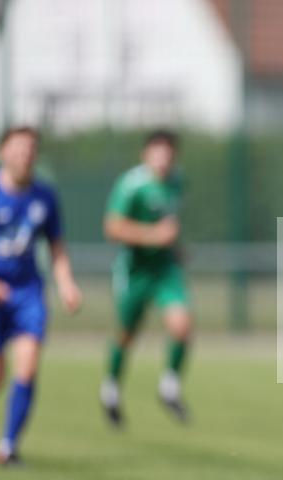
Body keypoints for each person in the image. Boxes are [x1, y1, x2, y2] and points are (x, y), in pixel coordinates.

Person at [0, 126, 82, 465]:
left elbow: (56, 247)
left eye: (31, 149)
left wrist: (66, 284)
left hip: (28, 292)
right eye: (18, 148)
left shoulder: (44, 196)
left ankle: (8, 446)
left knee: (27, 367)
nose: (25, 155)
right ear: (3, 152)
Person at [100, 130, 191, 426]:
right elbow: (112, 228)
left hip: (165, 269)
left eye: (169, 154)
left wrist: (176, 248)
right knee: (127, 334)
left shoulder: (177, 181)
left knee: (182, 325)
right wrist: (153, 236)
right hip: (135, 270)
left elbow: (169, 224)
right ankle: (111, 389)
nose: (164, 160)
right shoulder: (131, 185)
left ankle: (169, 388)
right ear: (146, 155)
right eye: (158, 153)